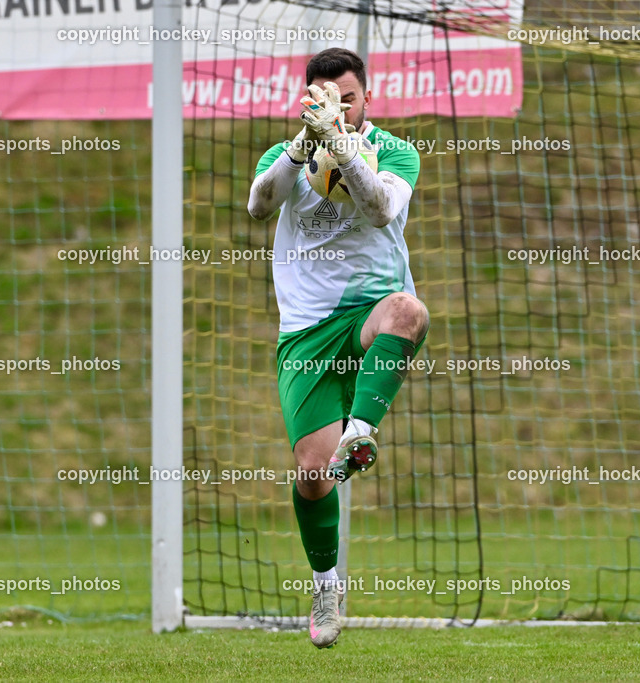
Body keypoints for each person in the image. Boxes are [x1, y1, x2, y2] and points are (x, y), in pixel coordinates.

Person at [247, 47, 429, 649]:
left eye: (347, 97)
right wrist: (306, 145)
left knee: (410, 310)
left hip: (367, 313)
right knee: (311, 474)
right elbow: (258, 205)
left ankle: (361, 429)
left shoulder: (396, 151)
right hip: (305, 333)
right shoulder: (286, 154)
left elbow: (379, 210)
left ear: (366, 99)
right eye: (327, 99)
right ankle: (327, 585)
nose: (339, 106)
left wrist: (343, 147)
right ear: (309, 100)